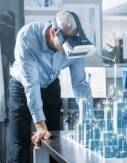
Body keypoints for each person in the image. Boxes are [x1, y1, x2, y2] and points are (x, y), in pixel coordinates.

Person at [8, 10, 93, 163]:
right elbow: (31, 85)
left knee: (54, 143)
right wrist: (40, 125)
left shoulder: (77, 45)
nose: (71, 48)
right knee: (19, 145)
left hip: (51, 84)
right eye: (68, 42)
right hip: (22, 86)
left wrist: (89, 120)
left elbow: (80, 84)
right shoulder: (27, 36)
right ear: (54, 32)